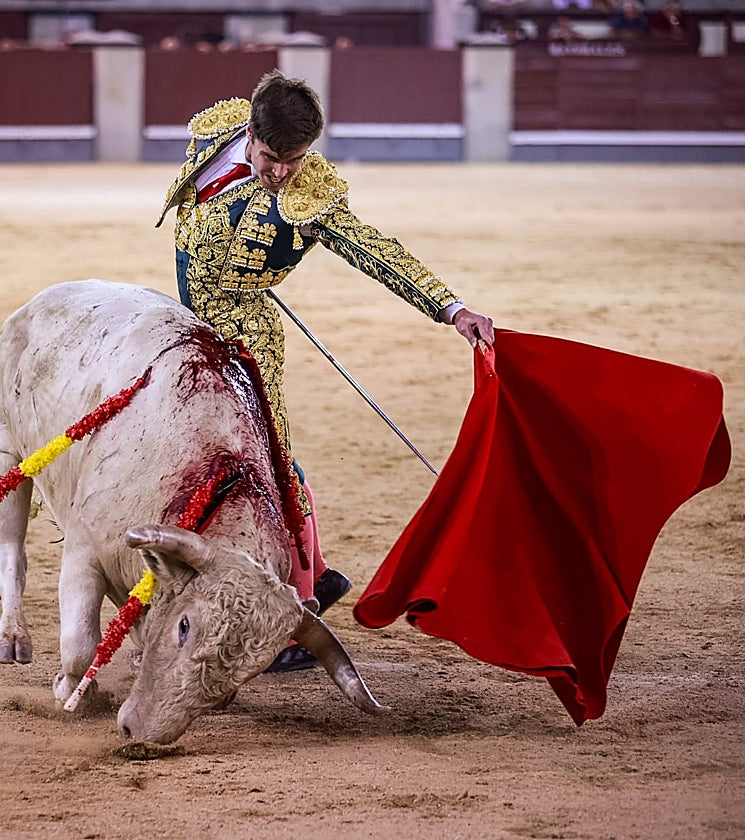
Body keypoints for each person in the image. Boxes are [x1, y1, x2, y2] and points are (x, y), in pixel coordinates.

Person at [157, 70, 495, 672]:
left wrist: (451, 307)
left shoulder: (311, 195)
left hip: (244, 339)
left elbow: (373, 248)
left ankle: (300, 605)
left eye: (296, 159)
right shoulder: (213, 134)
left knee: (268, 462)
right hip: (184, 326)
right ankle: (294, 577)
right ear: (249, 133)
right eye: (271, 157)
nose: (282, 171)